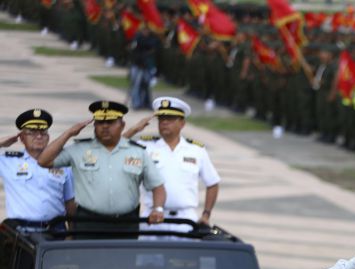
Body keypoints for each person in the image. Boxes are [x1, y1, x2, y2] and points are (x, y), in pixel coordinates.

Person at [37, 100, 166, 235]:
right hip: (88, 224)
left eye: (110, 122)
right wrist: (68, 133)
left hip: (126, 224)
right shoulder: (79, 150)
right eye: (100, 122)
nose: (105, 126)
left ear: (122, 125)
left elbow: (158, 186)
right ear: (94, 125)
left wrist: (158, 209)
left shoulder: (137, 152)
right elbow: (43, 161)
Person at [124, 96, 220, 232]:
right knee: (150, 253)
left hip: (185, 220)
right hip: (152, 218)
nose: (164, 123)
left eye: (169, 119)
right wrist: (134, 130)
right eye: (161, 119)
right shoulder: (145, 147)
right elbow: (115, 149)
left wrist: (206, 214)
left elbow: (212, 183)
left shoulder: (196, 150)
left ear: (182, 123)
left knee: (184, 254)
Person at [0, 108, 75, 231]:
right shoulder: (9, 162)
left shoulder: (62, 163)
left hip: (55, 231)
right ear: (22, 137)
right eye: (32, 132)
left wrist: (72, 234)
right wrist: (1, 143)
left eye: (43, 132)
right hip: (21, 233)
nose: (39, 136)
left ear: (48, 137)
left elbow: (70, 203)